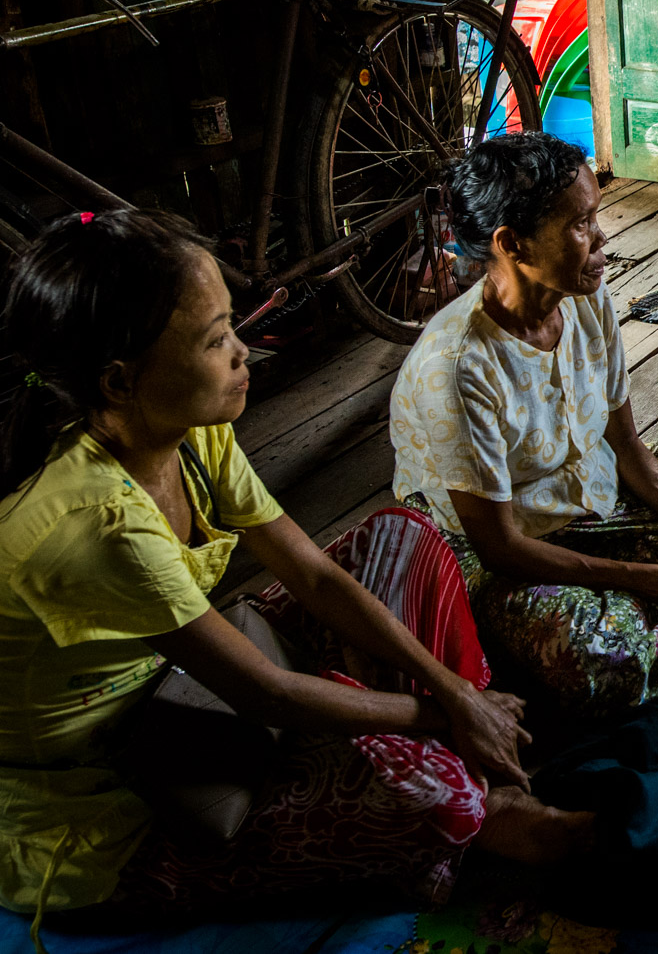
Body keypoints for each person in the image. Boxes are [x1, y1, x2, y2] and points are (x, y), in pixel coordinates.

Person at [0, 211, 591, 933]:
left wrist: (452, 690)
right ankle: (475, 784)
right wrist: (449, 711)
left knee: (404, 537)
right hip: (111, 798)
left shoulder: (189, 437)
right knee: (446, 797)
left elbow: (315, 577)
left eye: (232, 326)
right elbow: (265, 692)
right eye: (215, 340)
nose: (241, 351)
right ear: (121, 382)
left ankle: (443, 746)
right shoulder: (100, 525)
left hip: (182, 693)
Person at [390, 133, 658, 716]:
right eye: (580, 224)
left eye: (596, 217)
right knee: (595, 656)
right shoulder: (458, 367)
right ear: (512, 244)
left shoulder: (584, 296)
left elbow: (626, 441)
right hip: (508, 550)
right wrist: (653, 580)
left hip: (598, 495)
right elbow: (500, 547)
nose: (602, 238)